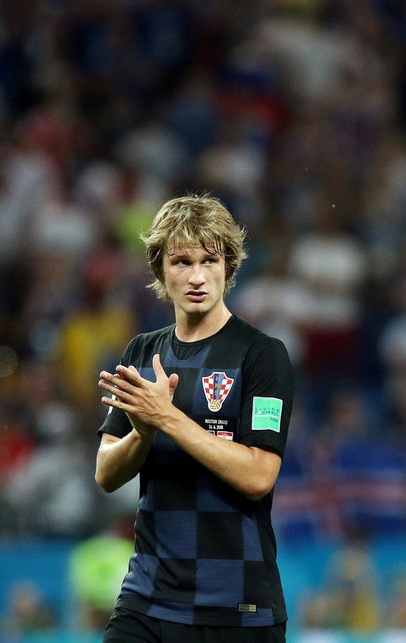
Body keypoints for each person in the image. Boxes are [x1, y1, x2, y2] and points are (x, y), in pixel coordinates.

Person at [94, 195, 294, 643]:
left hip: (237, 606)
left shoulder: (262, 355)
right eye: (182, 261)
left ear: (230, 266)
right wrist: (141, 434)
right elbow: (106, 473)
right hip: (146, 600)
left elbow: (260, 475)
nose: (198, 276)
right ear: (160, 270)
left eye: (210, 259)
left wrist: (167, 419)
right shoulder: (142, 352)